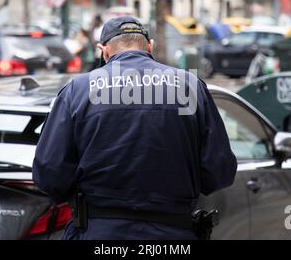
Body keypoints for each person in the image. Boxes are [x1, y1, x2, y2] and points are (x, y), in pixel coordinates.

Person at [33, 16, 237, 240]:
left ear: (104, 52)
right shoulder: (190, 87)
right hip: (172, 233)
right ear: (150, 47)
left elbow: (49, 174)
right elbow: (219, 171)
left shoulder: (77, 90)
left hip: (99, 233)